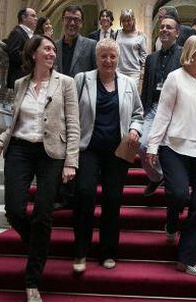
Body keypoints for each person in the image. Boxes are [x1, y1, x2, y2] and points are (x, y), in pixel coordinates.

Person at [0, 35, 80, 302]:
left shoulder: (66, 83)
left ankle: (32, 282)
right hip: (20, 150)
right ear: (34, 54)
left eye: (53, 50)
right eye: (47, 49)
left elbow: (73, 124)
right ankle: (39, 244)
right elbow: (15, 121)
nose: (52, 53)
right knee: (14, 209)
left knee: (42, 213)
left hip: (51, 153)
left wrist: (71, 161)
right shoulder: (20, 84)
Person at [146, 36, 196, 276]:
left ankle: (186, 257)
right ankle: (172, 222)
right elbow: (162, 114)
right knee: (178, 194)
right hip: (175, 147)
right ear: (191, 54)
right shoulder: (175, 78)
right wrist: (152, 146)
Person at [72, 38, 143, 272]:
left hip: (117, 151)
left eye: (112, 56)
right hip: (88, 148)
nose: (108, 60)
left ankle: (108, 252)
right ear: (96, 58)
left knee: (112, 201)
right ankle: (81, 252)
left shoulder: (128, 84)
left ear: (118, 58)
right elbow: (71, 115)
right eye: (103, 56)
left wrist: (134, 129)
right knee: (85, 196)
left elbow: (138, 113)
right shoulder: (82, 80)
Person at [139, 16, 182, 196]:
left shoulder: (183, 55)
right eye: (162, 27)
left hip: (175, 109)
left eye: (169, 28)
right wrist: (141, 111)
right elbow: (146, 87)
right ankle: (157, 177)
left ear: (177, 33)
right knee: (142, 145)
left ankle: (174, 181)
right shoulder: (151, 58)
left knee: (169, 147)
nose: (164, 30)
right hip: (153, 107)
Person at [55, 5, 97, 77]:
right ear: (62, 21)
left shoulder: (91, 46)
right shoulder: (55, 46)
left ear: (81, 23)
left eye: (76, 19)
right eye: (68, 19)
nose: (72, 23)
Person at [6, 7, 37, 89]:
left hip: (28, 80)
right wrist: (33, 56)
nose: (36, 19)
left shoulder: (30, 35)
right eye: (33, 16)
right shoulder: (17, 32)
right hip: (19, 79)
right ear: (24, 18)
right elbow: (14, 54)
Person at [116, 8, 147, 86]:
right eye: (123, 21)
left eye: (128, 20)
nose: (126, 23)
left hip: (133, 72)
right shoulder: (116, 34)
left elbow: (144, 56)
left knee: (130, 96)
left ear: (133, 20)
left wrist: (142, 71)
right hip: (118, 71)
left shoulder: (140, 36)